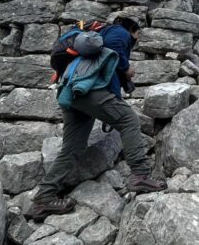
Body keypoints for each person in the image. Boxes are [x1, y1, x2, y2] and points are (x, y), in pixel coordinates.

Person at [27, 15, 165, 219]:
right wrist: (127, 69)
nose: (136, 41)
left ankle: (44, 199)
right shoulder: (118, 31)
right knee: (128, 120)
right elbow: (115, 47)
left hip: (71, 92)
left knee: (72, 147)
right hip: (89, 88)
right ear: (132, 29)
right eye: (137, 36)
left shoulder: (95, 38)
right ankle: (141, 176)